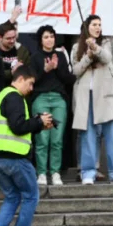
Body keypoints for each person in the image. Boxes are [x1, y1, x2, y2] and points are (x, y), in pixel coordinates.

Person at [0, 66, 54, 226]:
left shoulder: (1, 96)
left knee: (13, 196)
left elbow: (13, 126)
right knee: (31, 195)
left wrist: (38, 125)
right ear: (20, 79)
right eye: (30, 83)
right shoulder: (15, 97)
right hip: (14, 158)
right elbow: (18, 126)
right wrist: (38, 121)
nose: (31, 88)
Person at [72, 15, 113, 184]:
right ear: (87, 27)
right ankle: (88, 172)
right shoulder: (76, 47)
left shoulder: (106, 43)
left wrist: (95, 48)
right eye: (94, 24)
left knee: (111, 135)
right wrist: (87, 56)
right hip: (86, 96)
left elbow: (107, 58)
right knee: (88, 135)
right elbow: (76, 70)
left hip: (106, 95)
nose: (98, 27)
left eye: (100, 25)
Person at [30, 25, 73, 186]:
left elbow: (68, 79)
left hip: (58, 99)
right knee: (42, 138)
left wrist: (57, 68)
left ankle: (55, 172)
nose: (50, 40)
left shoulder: (61, 56)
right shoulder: (35, 57)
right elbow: (32, 80)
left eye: (52, 36)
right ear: (41, 40)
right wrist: (45, 69)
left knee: (56, 139)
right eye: (46, 37)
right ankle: (41, 172)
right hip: (41, 98)